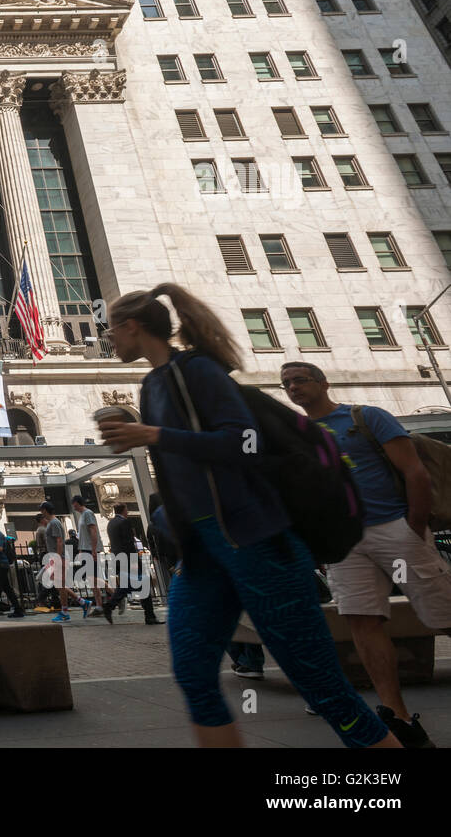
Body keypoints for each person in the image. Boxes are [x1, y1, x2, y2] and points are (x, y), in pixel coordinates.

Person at [97, 283, 398, 748]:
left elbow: (244, 441)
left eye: (111, 329)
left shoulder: (196, 370)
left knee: (321, 686)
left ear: (133, 327)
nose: (108, 339)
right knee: (194, 674)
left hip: (258, 542)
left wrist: (154, 434)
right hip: (203, 556)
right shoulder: (152, 383)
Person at [282, 360, 451, 748]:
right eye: (286, 383)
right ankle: (399, 718)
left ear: (323, 383)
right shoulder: (298, 436)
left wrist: (414, 525)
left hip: (395, 530)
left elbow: (415, 472)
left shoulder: (366, 417)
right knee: (362, 621)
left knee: (441, 612)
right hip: (345, 541)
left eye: (300, 380)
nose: (293, 387)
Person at [101, 503, 162, 625]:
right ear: (124, 510)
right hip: (129, 559)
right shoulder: (125, 522)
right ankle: (149, 616)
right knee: (142, 584)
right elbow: (129, 543)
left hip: (118, 559)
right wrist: (135, 560)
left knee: (128, 585)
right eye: (127, 510)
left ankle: (110, 605)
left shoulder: (111, 524)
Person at [38, 503, 94, 621]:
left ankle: (65, 612)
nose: (41, 513)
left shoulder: (54, 523)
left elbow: (59, 541)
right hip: (56, 557)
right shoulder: (52, 523)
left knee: (60, 585)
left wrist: (57, 558)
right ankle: (83, 602)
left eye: (42, 510)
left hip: (60, 558)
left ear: (45, 510)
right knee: (59, 586)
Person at [71, 495, 105, 614]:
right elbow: (84, 535)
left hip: (90, 550)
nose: (73, 506)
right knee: (92, 579)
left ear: (77, 503)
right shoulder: (82, 516)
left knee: (93, 578)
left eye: (73, 503)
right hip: (86, 550)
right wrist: (81, 549)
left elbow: (93, 530)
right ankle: (101, 604)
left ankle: (104, 602)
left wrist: (94, 549)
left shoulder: (87, 513)